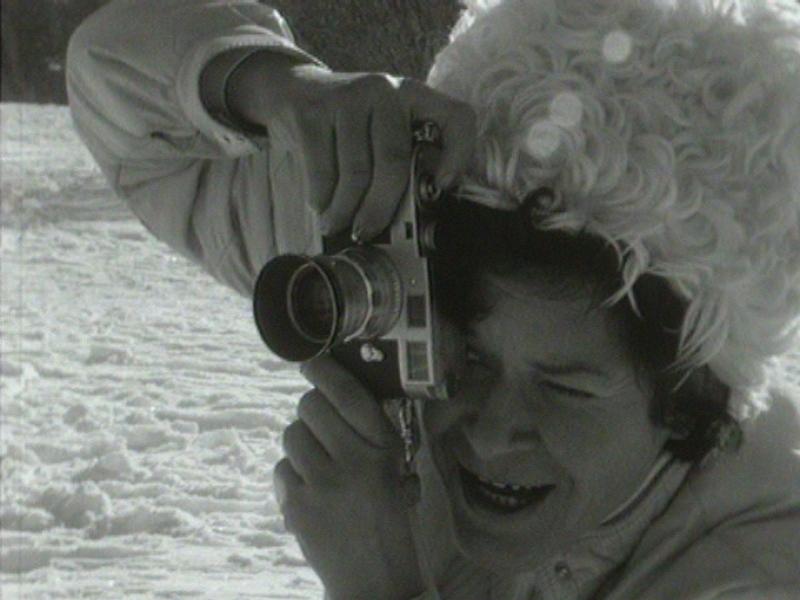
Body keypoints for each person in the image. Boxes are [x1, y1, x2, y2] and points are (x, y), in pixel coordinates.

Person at [66, 0, 800, 598]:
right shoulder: (404, 299)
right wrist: (275, 88)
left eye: (565, 387)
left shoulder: (763, 563)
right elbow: (112, 85)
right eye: (471, 355)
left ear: (692, 399)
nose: (490, 430)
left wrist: (384, 589)